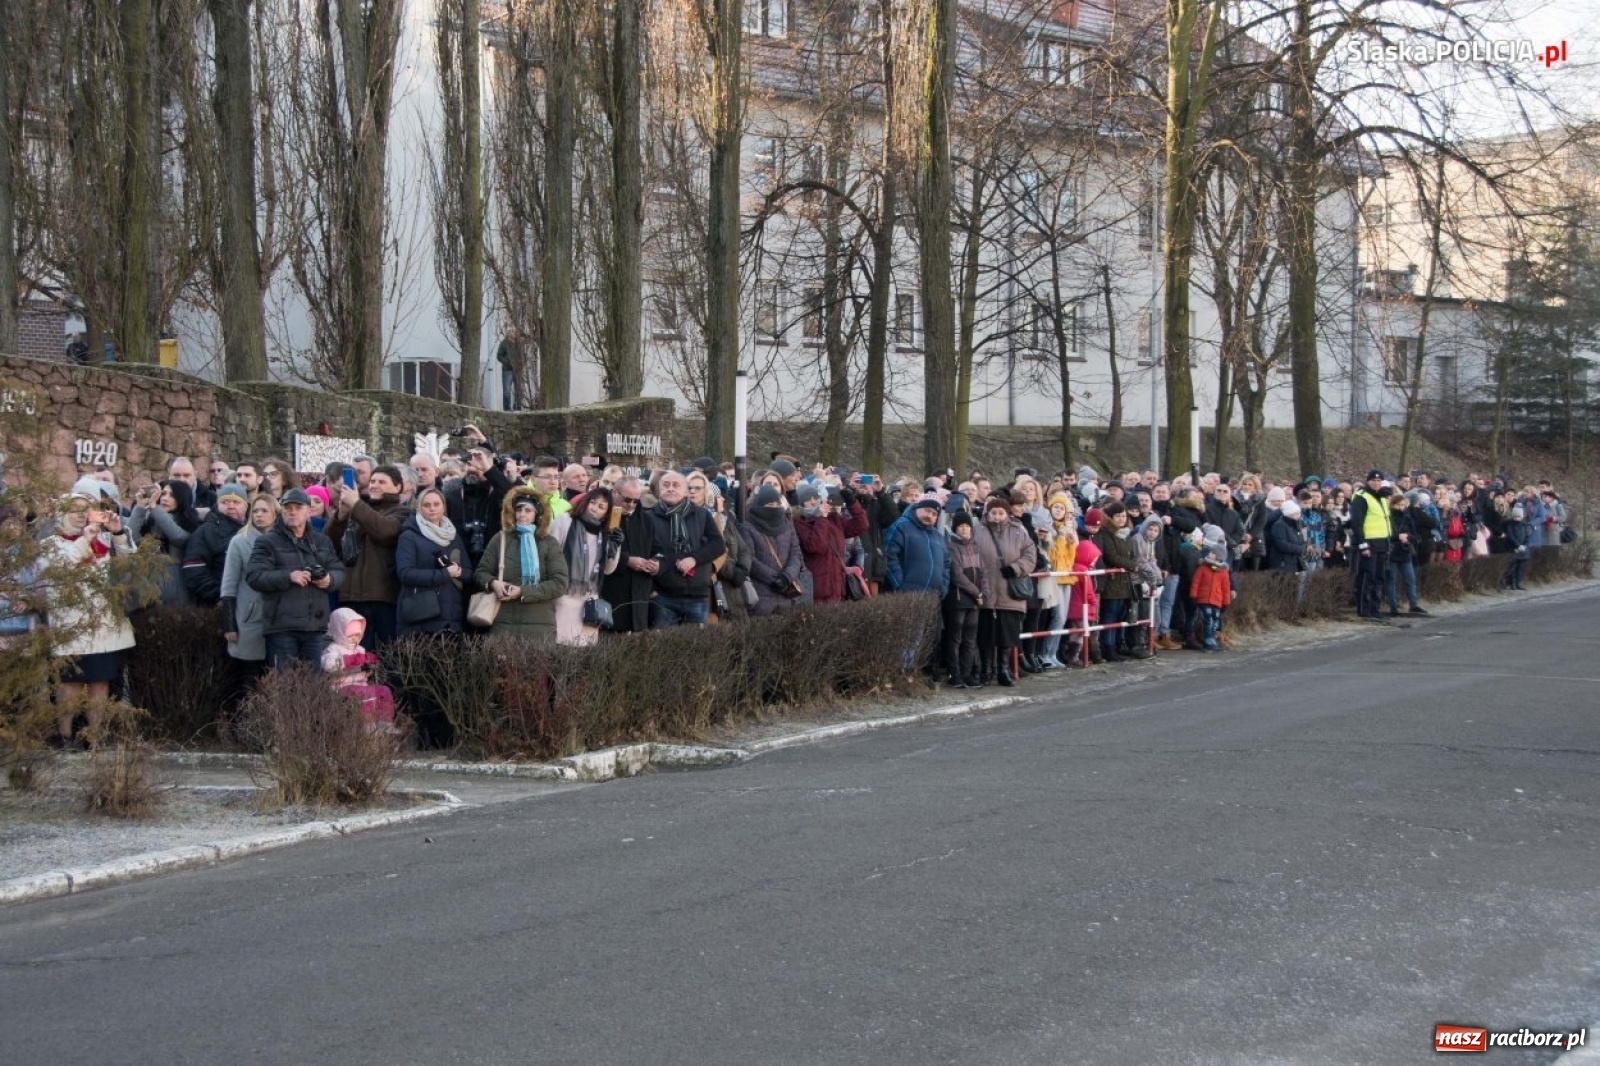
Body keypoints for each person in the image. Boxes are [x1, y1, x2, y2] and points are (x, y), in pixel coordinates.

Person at [40, 487, 138, 748]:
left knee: (99, 682)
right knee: (69, 683)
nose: (80, 516)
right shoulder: (51, 544)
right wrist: (85, 539)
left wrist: (117, 532)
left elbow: (131, 561)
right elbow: (63, 570)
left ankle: (95, 737)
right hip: (70, 625)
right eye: (74, 511)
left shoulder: (102, 540)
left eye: (86, 511)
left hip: (102, 624)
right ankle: (65, 736)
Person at [246, 487, 344, 668]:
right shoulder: (267, 541)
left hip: (314, 626)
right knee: (284, 685)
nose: (292, 512)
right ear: (281, 511)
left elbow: (339, 571)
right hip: (282, 626)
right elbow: (254, 576)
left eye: (298, 507)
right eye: (287, 507)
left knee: (312, 685)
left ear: (308, 511)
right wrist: (289, 576)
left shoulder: (321, 541)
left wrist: (329, 579)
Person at [324, 464, 407, 648]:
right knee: (354, 654)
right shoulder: (357, 508)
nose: (374, 485)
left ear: (398, 487)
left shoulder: (402, 512)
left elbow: (385, 531)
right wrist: (341, 516)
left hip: (382, 596)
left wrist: (356, 504)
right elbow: (329, 543)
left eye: (382, 482)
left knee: (387, 654)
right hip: (351, 595)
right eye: (372, 481)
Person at [473, 486, 569, 642]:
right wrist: (493, 583)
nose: (522, 514)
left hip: (540, 624)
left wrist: (522, 591)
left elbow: (560, 583)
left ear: (537, 514)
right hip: (503, 621)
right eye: (518, 509)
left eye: (528, 510)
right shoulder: (501, 539)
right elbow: (480, 573)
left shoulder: (549, 543)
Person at [643, 470, 725, 626]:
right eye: (666, 485)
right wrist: (651, 589)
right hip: (663, 595)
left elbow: (718, 545)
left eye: (676, 485)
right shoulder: (648, 516)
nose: (670, 489)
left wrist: (695, 559)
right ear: (659, 490)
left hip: (697, 594)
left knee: (695, 647)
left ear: (686, 490)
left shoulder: (701, 515)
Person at [220, 493, 278, 707]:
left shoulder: (282, 540)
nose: (260, 515)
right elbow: (228, 585)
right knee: (249, 679)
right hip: (249, 618)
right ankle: (245, 726)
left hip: (278, 618)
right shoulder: (240, 541)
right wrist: (229, 624)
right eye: (256, 510)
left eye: (265, 510)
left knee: (274, 678)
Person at [973, 495, 1037, 687]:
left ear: (1007, 513)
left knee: (1007, 634)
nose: (998, 517)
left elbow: (1031, 554)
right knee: (986, 635)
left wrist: (1016, 568)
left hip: (1010, 590)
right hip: (986, 590)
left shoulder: (1019, 531)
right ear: (988, 513)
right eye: (994, 513)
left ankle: (1003, 669)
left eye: (1001, 513)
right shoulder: (978, 530)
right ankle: (986, 669)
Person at [548, 487, 623, 645]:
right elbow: (549, 555)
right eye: (592, 502)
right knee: (560, 646)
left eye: (601, 507)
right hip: (565, 594)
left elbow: (608, 569)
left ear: (606, 514)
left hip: (590, 601)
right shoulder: (565, 521)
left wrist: (615, 546)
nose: (594, 508)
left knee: (584, 653)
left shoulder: (604, 533)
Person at [395, 487, 469, 637]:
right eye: (426, 505)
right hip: (422, 615)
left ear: (444, 506)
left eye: (436, 504)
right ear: (419, 508)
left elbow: (469, 572)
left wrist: (459, 571)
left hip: (451, 615)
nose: (432, 509)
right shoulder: (409, 535)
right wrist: (444, 574)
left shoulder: (453, 535)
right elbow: (405, 573)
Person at [792, 482, 868, 605]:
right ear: (800, 504)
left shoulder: (833, 518)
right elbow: (816, 546)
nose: (813, 502)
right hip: (816, 593)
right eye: (808, 500)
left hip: (838, 589)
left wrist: (852, 503)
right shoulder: (799, 523)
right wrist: (821, 518)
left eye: (816, 498)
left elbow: (861, 526)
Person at [320, 608, 396, 730]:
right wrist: (346, 661)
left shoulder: (360, 649)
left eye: (357, 635)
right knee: (365, 693)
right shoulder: (333, 648)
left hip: (361, 685)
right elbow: (327, 665)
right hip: (340, 687)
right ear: (340, 632)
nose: (355, 639)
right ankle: (367, 724)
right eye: (350, 636)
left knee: (384, 690)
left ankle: (384, 723)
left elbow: (365, 672)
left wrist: (369, 665)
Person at [129, 479, 202, 605]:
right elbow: (132, 539)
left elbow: (177, 537)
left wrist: (154, 508)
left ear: (182, 498)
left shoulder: (188, 522)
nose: (165, 498)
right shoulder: (151, 517)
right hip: (149, 587)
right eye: (163, 494)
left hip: (177, 590)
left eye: (172, 495)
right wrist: (140, 507)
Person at [599, 476, 657, 633]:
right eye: (627, 499)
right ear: (614, 493)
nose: (631, 505)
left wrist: (655, 564)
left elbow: (657, 549)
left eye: (636, 501)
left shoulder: (647, 519)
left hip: (639, 592)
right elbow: (598, 550)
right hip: (611, 590)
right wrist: (626, 560)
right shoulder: (602, 516)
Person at [181, 482, 249, 606]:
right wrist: (219, 595)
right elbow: (194, 569)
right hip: (218, 603)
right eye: (225, 502)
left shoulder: (255, 530)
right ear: (217, 505)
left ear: (246, 506)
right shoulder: (206, 531)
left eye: (236, 502)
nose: (231, 506)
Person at [743, 484, 806, 616]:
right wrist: (774, 579)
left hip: (786, 595)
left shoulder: (787, 524)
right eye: (770, 505)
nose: (775, 508)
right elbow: (750, 559)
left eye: (777, 505)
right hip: (760, 596)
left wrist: (787, 576)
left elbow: (795, 553)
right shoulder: (747, 526)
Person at [941, 510, 987, 688]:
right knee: (956, 637)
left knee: (970, 639)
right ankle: (955, 674)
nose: (965, 529)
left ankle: (967, 674)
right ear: (955, 528)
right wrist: (977, 592)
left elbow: (983, 572)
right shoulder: (951, 546)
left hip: (974, 600)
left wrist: (984, 592)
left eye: (967, 526)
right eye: (961, 526)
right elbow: (957, 575)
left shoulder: (975, 547)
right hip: (959, 599)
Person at [1348, 469, 1394, 620]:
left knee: (1379, 577)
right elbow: (1357, 523)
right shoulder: (1362, 497)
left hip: (1382, 542)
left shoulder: (1380, 497)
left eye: (1379, 481)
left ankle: (1375, 608)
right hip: (1369, 543)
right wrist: (1362, 544)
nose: (1376, 483)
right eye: (1373, 480)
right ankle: (1364, 609)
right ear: (1368, 481)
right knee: (1368, 577)